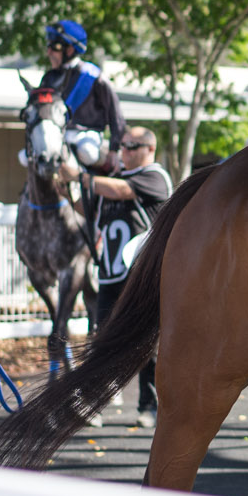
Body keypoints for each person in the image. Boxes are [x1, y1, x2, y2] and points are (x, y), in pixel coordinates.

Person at [88, 127, 173, 425]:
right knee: (102, 340)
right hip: (110, 273)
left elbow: (120, 191)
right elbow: (92, 212)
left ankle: (148, 407)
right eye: (122, 146)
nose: (123, 151)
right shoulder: (114, 180)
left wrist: (82, 177)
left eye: (130, 146)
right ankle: (93, 404)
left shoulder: (156, 176)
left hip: (142, 274)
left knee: (147, 344)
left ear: (149, 148)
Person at [40, 19, 127, 175]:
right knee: (25, 157)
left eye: (54, 47)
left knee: (87, 152)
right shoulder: (48, 78)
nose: (49, 52)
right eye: (49, 47)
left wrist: (114, 149)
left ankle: (94, 192)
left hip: (87, 134)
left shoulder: (93, 76)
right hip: (57, 133)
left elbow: (116, 116)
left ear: (70, 50)